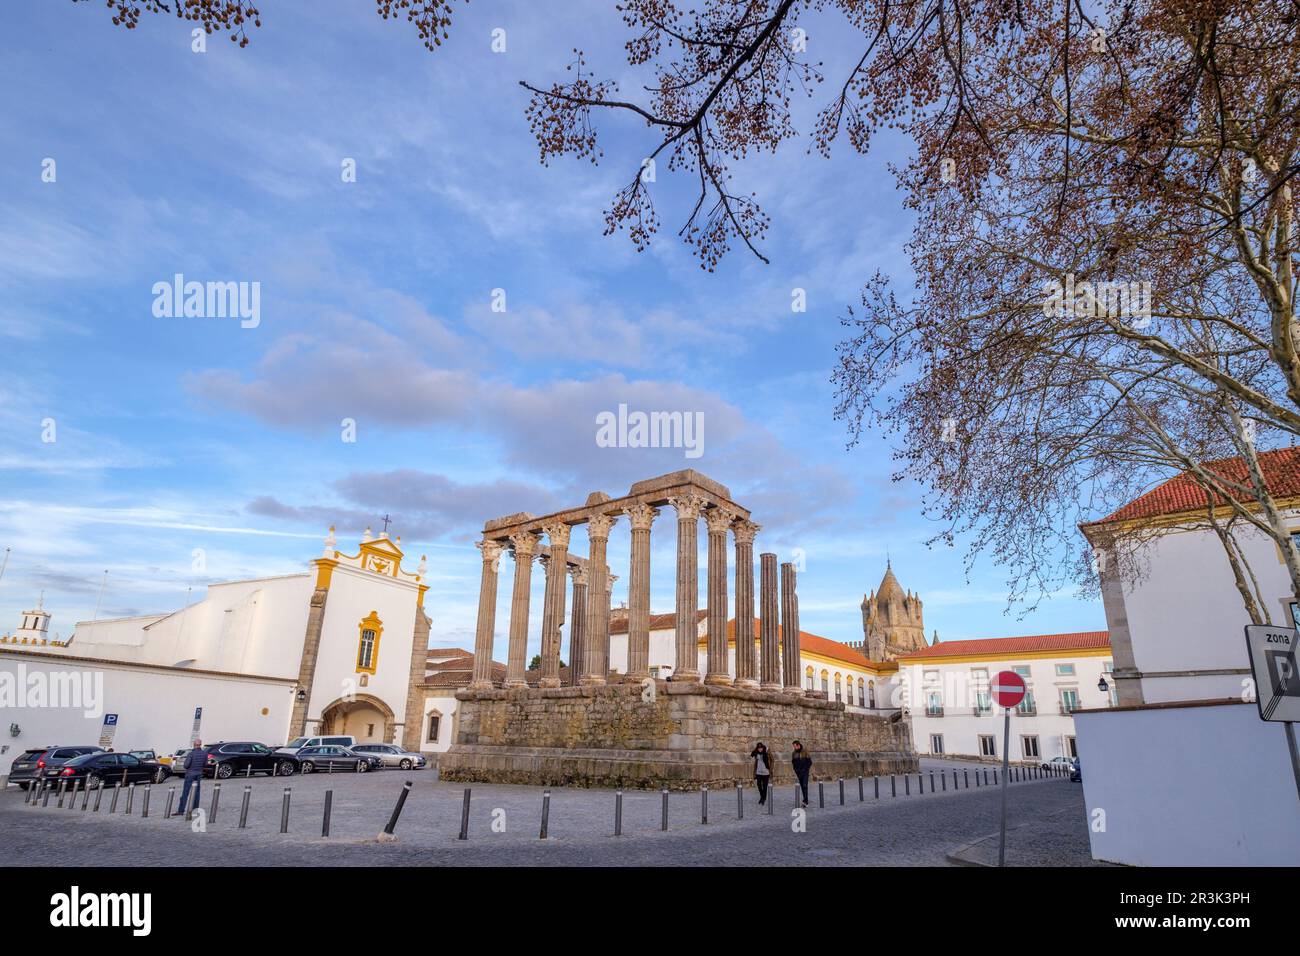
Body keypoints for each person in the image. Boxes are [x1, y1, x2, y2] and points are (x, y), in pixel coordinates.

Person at [177, 739, 207, 819]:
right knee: (197, 793)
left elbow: (186, 765)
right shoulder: (204, 754)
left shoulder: (191, 754)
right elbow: (205, 764)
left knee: (185, 793)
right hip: (199, 774)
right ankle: (195, 810)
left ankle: (181, 810)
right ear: (200, 744)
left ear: (194, 744)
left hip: (190, 774)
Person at [791, 740, 812, 807]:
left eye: (794, 746)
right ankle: (805, 800)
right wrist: (795, 770)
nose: (794, 747)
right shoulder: (794, 753)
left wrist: (805, 769)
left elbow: (809, 762)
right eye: (793, 746)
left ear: (798, 745)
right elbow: (793, 762)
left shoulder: (805, 751)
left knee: (805, 785)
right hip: (798, 772)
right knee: (802, 786)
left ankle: (806, 801)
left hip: (805, 771)